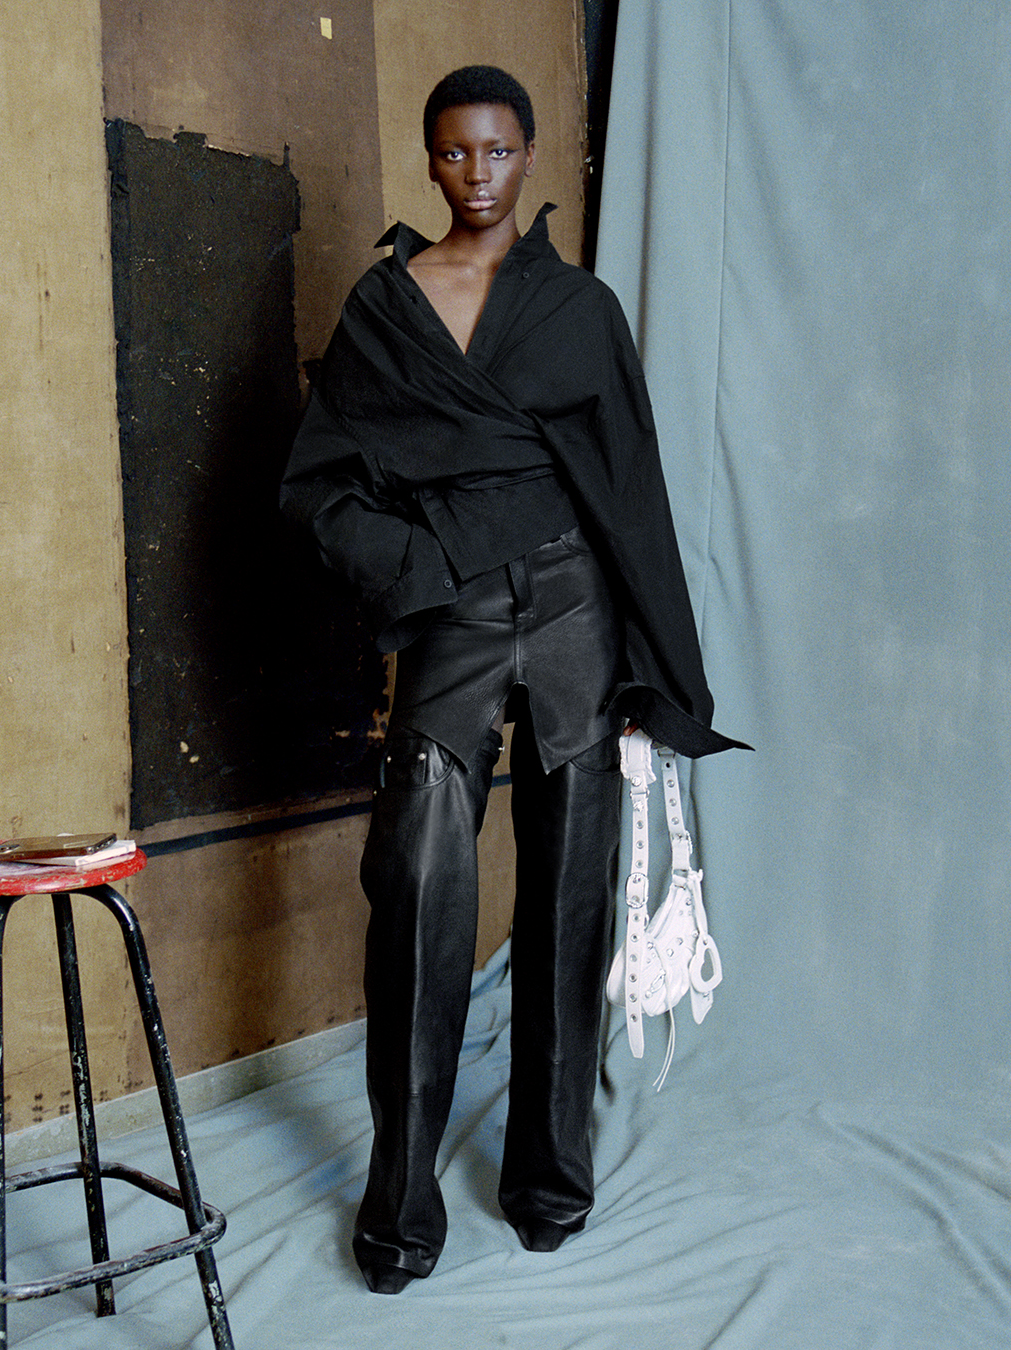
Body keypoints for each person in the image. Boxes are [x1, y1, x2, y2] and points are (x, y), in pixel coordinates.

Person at [281, 65, 741, 1295]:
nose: (475, 174)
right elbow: (315, 489)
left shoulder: (581, 309)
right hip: (454, 605)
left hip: (581, 606)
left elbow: (632, 490)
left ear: (528, 156)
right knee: (422, 881)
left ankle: (549, 1177)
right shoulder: (385, 307)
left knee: (569, 896)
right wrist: (418, 562)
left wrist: (655, 663)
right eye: (452, 154)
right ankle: (399, 1204)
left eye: (495, 152)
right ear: (428, 160)